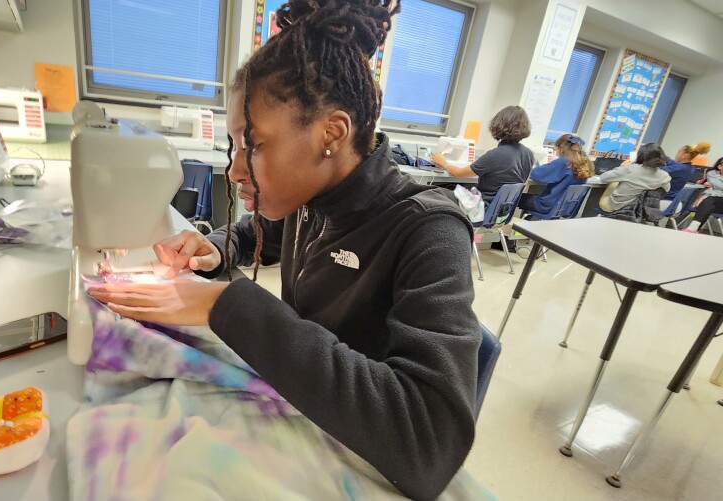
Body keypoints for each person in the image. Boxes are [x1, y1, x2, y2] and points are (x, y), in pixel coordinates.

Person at [87, 2, 481, 500]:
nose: (233, 171)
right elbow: (260, 233)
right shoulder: (309, 198)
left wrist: (223, 304)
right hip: (295, 412)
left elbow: (429, 441)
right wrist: (214, 246)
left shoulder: (428, 230)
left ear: (330, 134)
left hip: (360, 454)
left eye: (252, 144)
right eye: (234, 146)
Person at [432, 105, 534, 203]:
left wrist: (443, 163)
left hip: (479, 207)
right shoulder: (528, 154)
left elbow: (459, 174)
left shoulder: (496, 155)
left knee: (434, 193)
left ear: (498, 125)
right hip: (501, 210)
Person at [519, 134, 594, 216]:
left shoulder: (564, 162)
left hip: (548, 206)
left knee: (517, 198)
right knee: (533, 197)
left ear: (560, 148)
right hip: (564, 207)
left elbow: (536, 174)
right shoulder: (585, 163)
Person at [593, 143, 671, 212]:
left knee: (615, 181)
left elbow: (603, 178)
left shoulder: (631, 169)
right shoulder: (664, 176)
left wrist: (622, 167)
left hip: (615, 207)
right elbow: (666, 189)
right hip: (639, 210)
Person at [661, 141, 711, 209]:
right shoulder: (689, 168)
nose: (676, 154)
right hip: (671, 198)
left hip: (665, 198)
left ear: (684, 155)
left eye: (678, 152)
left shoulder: (681, 168)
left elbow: (660, 170)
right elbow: (671, 162)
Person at [682, 156, 723, 233]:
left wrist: (706, 195)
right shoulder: (711, 173)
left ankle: (694, 228)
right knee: (710, 201)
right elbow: (717, 186)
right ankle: (694, 228)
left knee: (708, 199)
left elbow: (717, 185)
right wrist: (707, 195)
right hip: (711, 202)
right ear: (720, 166)